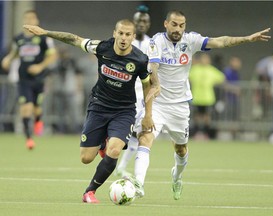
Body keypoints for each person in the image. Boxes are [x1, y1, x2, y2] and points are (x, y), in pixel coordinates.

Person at [129, 10, 270, 200]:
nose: (178, 29)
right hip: (159, 102)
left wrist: (247, 38)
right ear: (166, 24)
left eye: (181, 25)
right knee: (145, 138)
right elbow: (153, 66)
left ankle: (176, 176)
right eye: (174, 24)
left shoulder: (191, 40)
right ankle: (138, 183)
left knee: (181, 149)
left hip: (179, 106)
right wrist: (157, 83)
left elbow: (220, 41)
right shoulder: (156, 41)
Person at [23, 19, 160, 203]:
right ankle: (102, 143)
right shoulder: (102, 47)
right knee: (86, 158)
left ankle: (90, 191)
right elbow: (73, 39)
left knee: (114, 150)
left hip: (124, 111)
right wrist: (45, 32)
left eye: (128, 35)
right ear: (115, 33)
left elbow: (147, 86)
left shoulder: (140, 59)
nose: (123, 38)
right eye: (121, 33)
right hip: (99, 106)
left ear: (133, 37)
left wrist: (148, 115)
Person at [1, 10, 57, 149]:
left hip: (39, 79)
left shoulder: (44, 38)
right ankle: (29, 138)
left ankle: (38, 120)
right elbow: (15, 53)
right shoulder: (18, 39)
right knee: (26, 107)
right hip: (23, 79)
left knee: (36, 108)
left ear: (37, 21)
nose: (29, 21)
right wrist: (8, 59)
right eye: (27, 18)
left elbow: (53, 55)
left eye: (32, 18)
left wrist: (40, 66)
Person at [115, 5, 151, 177]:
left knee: (139, 134)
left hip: (142, 95)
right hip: (125, 94)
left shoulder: (152, 43)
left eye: (145, 21)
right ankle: (116, 163)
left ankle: (121, 166)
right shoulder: (126, 41)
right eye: (138, 21)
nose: (142, 24)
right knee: (129, 133)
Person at [189, 53, 225, 139]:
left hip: (208, 98)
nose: (204, 61)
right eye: (202, 59)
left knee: (207, 117)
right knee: (197, 116)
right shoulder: (195, 69)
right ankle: (197, 133)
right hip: (196, 97)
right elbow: (186, 77)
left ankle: (206, 133)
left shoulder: (211, 70)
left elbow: (222, 78)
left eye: (206, 59)